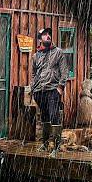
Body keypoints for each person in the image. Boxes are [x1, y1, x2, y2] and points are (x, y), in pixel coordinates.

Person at [31, 27, 69, 157]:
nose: (48, 36)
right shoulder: (36, 55)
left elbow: (64, 71)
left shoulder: (58, 52)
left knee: (54, 117)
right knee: (45, 117)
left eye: (49, 34)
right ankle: (45, 143)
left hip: (53, 90)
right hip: (39, 91)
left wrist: (60, 87)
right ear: (40, 39)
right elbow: (34, 73)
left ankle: (56, 147)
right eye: (44, 35)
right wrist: (33, 88)